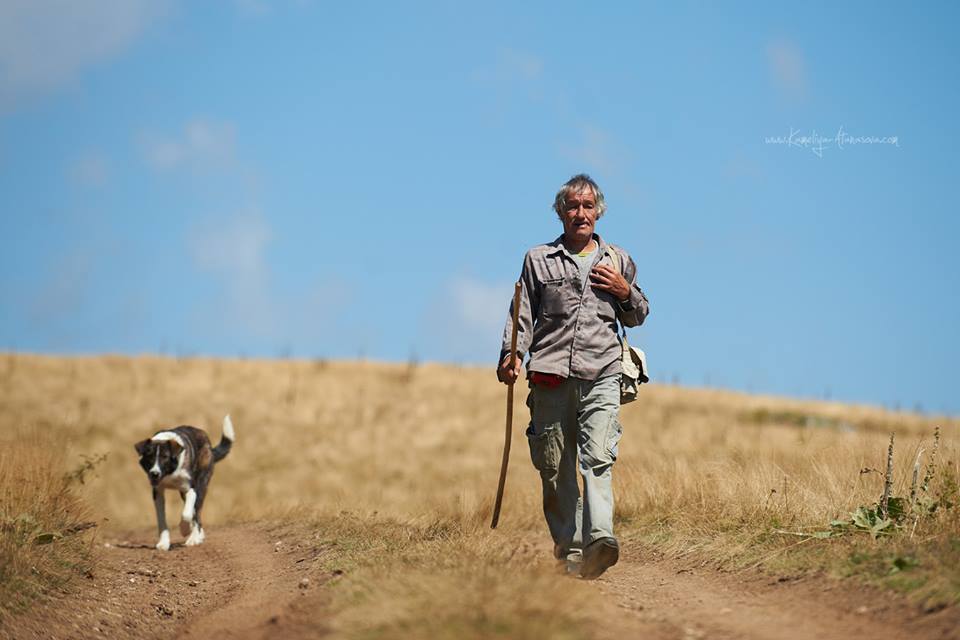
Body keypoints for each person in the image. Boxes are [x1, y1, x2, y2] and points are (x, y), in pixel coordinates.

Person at [497, 173, 649, 579]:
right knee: (554, 466)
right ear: (560, 213)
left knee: (598, 457)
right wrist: (510, 356)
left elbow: (639, 315)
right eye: (572, 207)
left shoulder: (618, 260)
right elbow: (521, 314)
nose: (580, 214)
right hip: (548, 375)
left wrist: (623, 290)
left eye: (587, 207)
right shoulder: (538, 259)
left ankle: (601, 539)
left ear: (598, 212)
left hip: (601, 372)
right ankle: (571, 549)